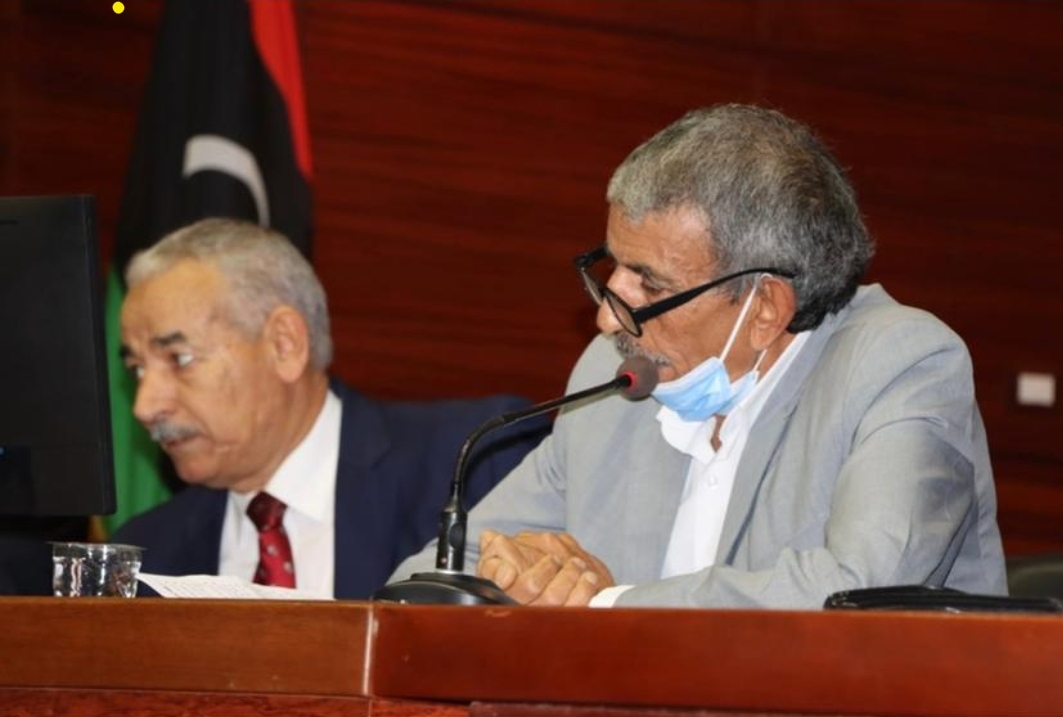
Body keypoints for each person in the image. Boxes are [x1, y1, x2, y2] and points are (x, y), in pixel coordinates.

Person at [390, 104, 1007, 608]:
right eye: (613, 269)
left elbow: (859, 592)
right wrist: (513, 576)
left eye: (650, 286)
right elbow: (429, 581)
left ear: (764, 308)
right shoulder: (612, 377)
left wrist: (607, 605)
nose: (608, 319)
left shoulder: (899, 366)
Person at [112, 218, 547, 599]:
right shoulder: (148, 551)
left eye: (179, 359)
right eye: (137, 369)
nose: (145, 406)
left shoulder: (475, 465)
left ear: (284, 344)